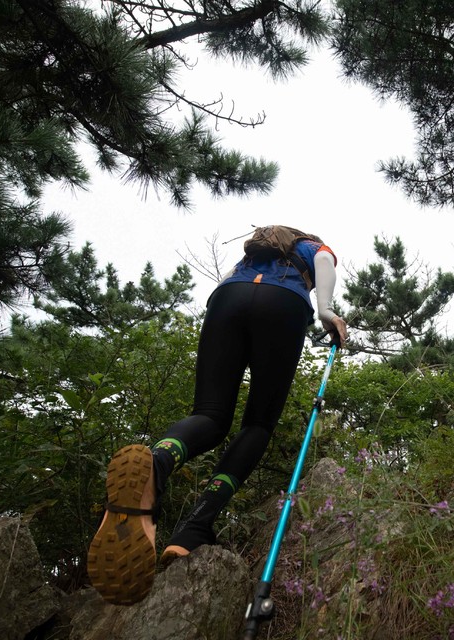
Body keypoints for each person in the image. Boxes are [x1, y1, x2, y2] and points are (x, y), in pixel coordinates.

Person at [86, 226, 349, 606]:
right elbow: (325, 260)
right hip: (284, 303)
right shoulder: (309, 247)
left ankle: (157, 462)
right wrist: (324, 310)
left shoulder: (249, 258)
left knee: (210, 414)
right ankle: (195, 526)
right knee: (258, 424)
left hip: (226, 301)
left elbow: (222, 286)